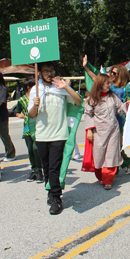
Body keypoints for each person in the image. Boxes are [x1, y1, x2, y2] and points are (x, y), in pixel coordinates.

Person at [29, 61, 82, 215]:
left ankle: (56, 198)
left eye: (51, 70)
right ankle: (50, 192)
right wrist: (35, 105)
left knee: (54, 167)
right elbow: (31, 115)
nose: (49, 73)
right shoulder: (35, 90)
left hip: (59, 134)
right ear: (40, 74)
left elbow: (78, 101)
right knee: (46, 167)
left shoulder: (60, 87)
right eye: (46, 71)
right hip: (42, 135)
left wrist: (66, 87)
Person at [84, 74, 128, 190]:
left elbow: (120, 109)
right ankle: (101, 177)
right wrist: (89, 130)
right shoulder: (92, 99)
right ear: (100, 84)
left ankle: (108, 179)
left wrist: (127, 105)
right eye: (107, 83)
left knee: (111, 154)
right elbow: (88, 114)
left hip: (113, 129)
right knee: (99, 156)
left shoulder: (113, 96)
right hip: (98, 131)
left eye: (110, 82)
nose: (110, 85)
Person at [15, 78, 43, 183]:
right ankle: (34, 170)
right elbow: (17, 112)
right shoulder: (21, 100)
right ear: (29, 87)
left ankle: (39, 170)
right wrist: (21, 116)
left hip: (37, 126)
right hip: (27, 128)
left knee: (36, 149)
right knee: (30, 150)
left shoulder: (38, 97)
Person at [0, 70, 16, 161]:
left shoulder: (2, 89)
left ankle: (11, 153)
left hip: (1, 116)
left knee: (3, 134)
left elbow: (0, 102)